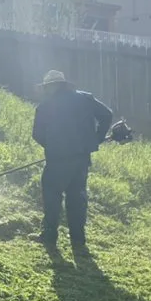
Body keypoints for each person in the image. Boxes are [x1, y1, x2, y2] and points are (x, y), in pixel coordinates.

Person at [31, 70, 113, 254]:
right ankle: (78, 241)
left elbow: (37, 134)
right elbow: (107, 114)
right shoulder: (85, 99)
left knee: (52, 196)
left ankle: (49, 236)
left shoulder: (45, 106)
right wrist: (97, 138)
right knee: (77, 198)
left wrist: (51, 146)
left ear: (51, 87)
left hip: (57, 159)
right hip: (81, 158)